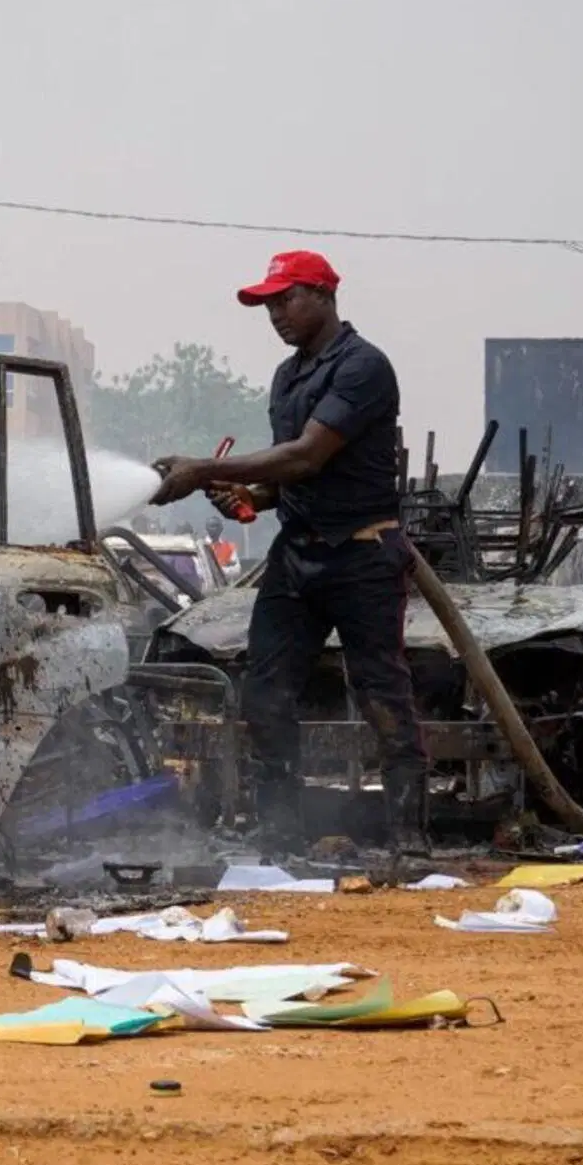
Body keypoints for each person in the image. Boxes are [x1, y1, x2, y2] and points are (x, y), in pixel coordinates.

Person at [150, 250, 427, 853]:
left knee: (380, 693)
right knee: (266, 693)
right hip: (298, 556)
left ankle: (409, 836)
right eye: (268, 304)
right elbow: (289, 478)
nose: (275, 313)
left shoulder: (363, 367)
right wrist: (249, 495)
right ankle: (281, 832)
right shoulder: (287, 377)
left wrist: (203, 469)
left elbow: (306, 456)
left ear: (324, 295)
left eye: (286, 299)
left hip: (362, 556)